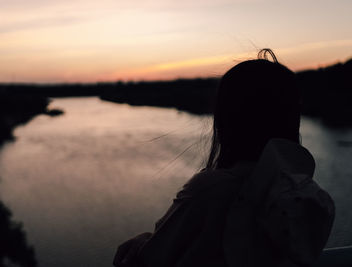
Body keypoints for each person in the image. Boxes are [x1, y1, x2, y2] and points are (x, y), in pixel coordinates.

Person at [113, 49, 335, 267]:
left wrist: (142, 242)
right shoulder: (305, 198)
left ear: (228, 120)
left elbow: (153, 258)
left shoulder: (212, 190)